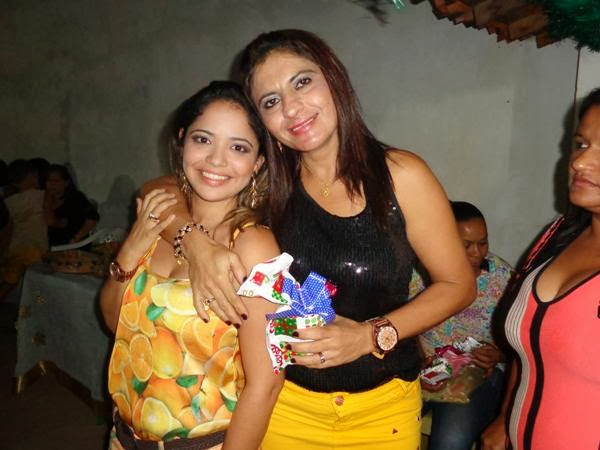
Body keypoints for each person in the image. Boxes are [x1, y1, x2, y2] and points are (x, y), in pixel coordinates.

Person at [149, 29, 475, 449]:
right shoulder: (266, 185)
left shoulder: (401, 176)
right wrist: (194, 243)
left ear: (334, 79)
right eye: (271, 101)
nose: (292, 108)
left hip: (383, 408)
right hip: (282, 405)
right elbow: (160, 190)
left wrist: (369, 335)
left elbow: (458, 284)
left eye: (302, 82)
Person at [100, 81, 284, 450]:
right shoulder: (160, 220)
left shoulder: (256, 247)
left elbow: (267, 383)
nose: (216, 160)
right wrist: (130, 252)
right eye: (203, 140)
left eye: (238, 147)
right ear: (182, 141)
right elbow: (115, 323)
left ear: (258, 163)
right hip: (124, 437)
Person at [481, 87, 600, 450]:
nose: (579, 162)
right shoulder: (556, 236)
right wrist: (505, 416)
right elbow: (533, 343)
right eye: (581, 144)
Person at [413, 201, 513, 450]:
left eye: (483, 243)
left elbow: (523, 341)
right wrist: (419, 361)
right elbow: (401, 326)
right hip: (421, 370)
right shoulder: (418, 273)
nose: (477, 253)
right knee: (386, 429)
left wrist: (498, 355)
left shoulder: (502, 278)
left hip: (476, 375)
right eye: (466, 245)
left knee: (450, 442)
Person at [0, 160, 47, 301]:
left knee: (9, 282)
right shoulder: (42, 196)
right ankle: (38, 308)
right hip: (35, 247)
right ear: (34, 176)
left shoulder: (8, 202)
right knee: (39, 284)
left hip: (15, 248)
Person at [44, 164, 99, 246]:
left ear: (66, 183)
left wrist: (76, 238)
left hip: (72, 247)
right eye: (49, 181)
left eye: (56, 181)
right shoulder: (41, 197)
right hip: (48, 247)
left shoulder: (76, 198)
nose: (52, 184)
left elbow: (92, 218)